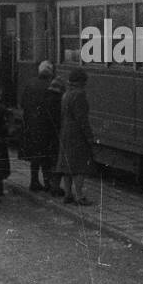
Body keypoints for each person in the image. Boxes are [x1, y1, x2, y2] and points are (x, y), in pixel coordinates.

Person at [55, 69, 96, 206]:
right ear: (81, 82)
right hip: (76, 134)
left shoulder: (66, 94)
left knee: (67, 165)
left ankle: (68, 194)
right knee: (80, 166)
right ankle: (80, 196)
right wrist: (89, 136)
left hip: (66, 131)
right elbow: (82, 119)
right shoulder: (80, 95)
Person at [18, 60, 56, 191]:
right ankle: (47, 183)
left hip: (31, 124)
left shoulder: (30, 84)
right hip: (46, 126)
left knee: (35, 155)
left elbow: (22, 103)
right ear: (50, 72)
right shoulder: (50, 86)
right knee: (46, 155)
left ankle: (34, 181)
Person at [43, 76, 66, 196]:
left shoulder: (45, 97)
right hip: (55, 134)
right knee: (55, 160)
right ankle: (55, 187)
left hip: (44, 133)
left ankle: (47, 183)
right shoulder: (58, 100)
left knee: (47, 160)